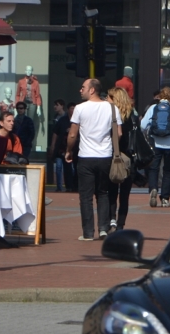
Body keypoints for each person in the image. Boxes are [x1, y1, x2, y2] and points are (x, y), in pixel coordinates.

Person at [66, 77, 120, 240]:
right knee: (103, 193)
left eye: (83, 87)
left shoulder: (80, 109)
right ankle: (103, 229)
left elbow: (73, 133)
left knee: (86, 196)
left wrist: (69, 150)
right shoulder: (112, 108)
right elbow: (118, 133)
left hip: (86, 157)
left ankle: (88, 233)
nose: (80, 90)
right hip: (105, 156)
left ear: (92, 90)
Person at [142, 86, 170, 208]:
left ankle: (153, 189)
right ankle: (165, 198)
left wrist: (151, 126)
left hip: (155, 143)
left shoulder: (153, 108)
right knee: (168, 171)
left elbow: (143, 125)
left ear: (160, 96)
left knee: (154, 168)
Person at [106, 86, 139, 231]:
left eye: (108, 97)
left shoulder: (111, 115)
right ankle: (120, 224)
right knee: (125, 195)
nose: (106, 100)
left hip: (115, 156)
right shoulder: (133, 115)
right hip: (129, 158)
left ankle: (111, 219)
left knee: (111, 190)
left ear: (115, 99)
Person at [48, 100, 71, 192]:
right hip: (59, 147)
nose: (55, 107)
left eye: (57, 105)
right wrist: (53, 145)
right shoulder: (56, 117)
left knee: (69, 168)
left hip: (67, 146)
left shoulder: (66, 118)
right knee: (58, 166)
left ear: (62, 106)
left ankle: (69, 185)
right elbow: (55, 132)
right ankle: (59, 186)